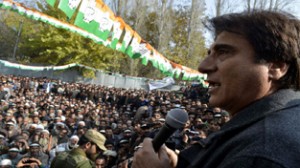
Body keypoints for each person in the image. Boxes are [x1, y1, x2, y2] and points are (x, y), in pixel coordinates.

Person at [132, 10, 300, 168]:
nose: (203, 66)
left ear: (276, 67)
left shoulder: (261, 154)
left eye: (223, 52)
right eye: (209, 53)